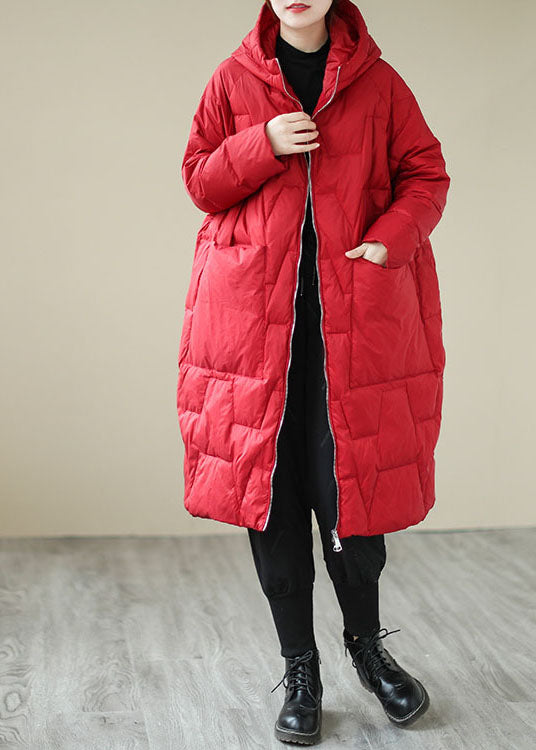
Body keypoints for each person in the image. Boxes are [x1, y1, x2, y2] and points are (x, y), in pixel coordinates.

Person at [177, 0, 450, 744]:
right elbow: (200, 181)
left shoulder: (381, 84)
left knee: (350, 496)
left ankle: (368, 650)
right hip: (252, 334)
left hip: (351, 330)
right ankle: (301, 668)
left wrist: (390, 240)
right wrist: (261, 143)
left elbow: (426, 175)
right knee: (272, 497)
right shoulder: (231, 81)